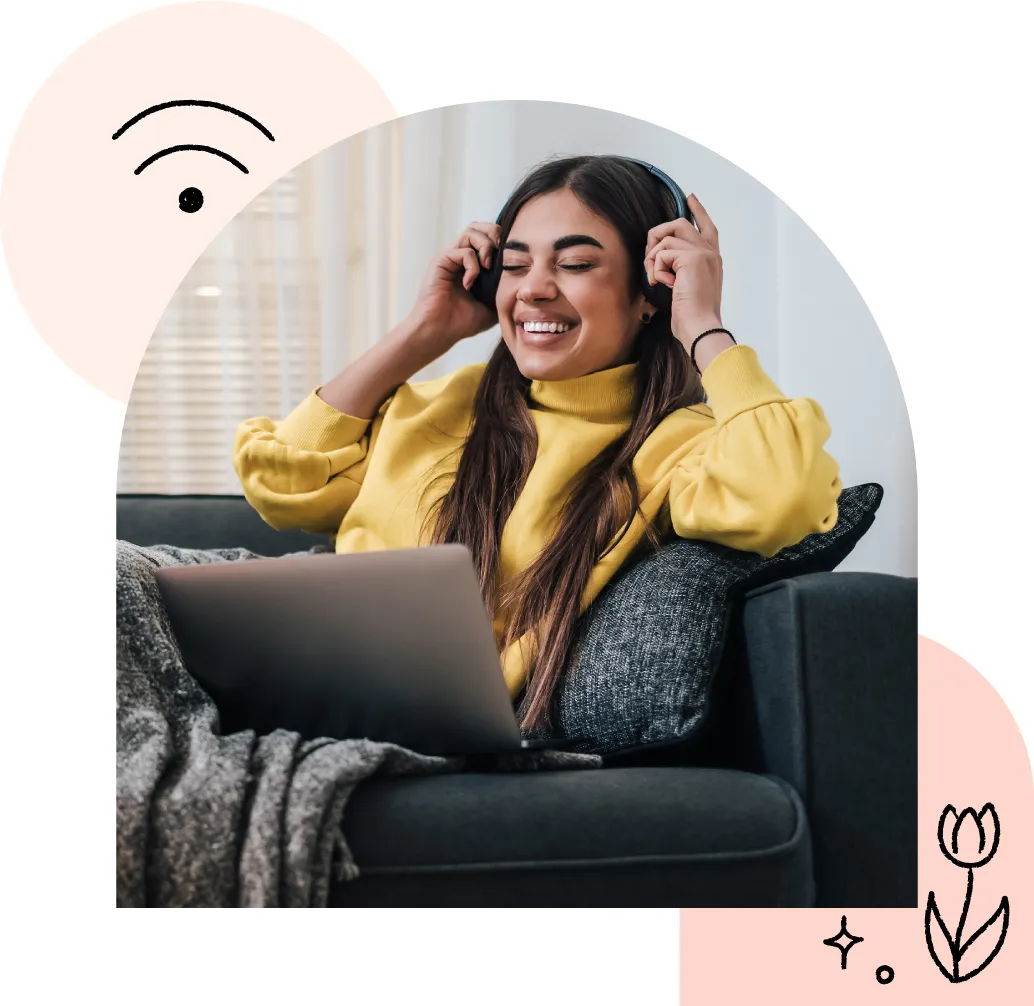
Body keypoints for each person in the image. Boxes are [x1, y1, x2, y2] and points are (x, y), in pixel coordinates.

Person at [233, 154, 842, 732]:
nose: (533, 290)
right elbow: (286, 486)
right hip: (292, 687)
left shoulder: (678, 447)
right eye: (516, 265)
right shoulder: (436, 404)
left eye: (575, 265)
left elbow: (778, 497)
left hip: (401, 726)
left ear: (651, 296)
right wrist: (422, 331)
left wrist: (703, 325)